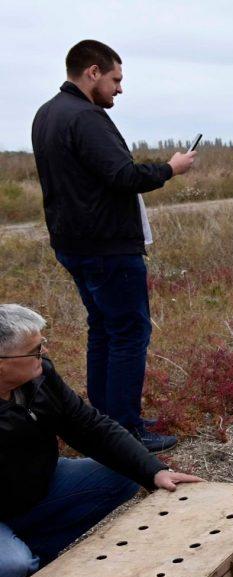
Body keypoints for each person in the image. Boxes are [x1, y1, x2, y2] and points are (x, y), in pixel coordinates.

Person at [31, 39, 197, 453]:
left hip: (74, 243)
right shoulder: (85, 117)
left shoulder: (46, 114)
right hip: (106, 247)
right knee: (127, 331)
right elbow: (123, 176)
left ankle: (103, 420)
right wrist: (171, 168)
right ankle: (124, 429)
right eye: (115, 79)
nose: (119, 89)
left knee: (104, 329)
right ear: (92, 72)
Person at [0, 304, 202, 577]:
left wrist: (154, 470)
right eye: (34, 350)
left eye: (42, 344)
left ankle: (35, 556)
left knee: (122, 475)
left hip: (32, 488)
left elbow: (89, 426)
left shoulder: (39, 377)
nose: (43, 355)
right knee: (11, 566)